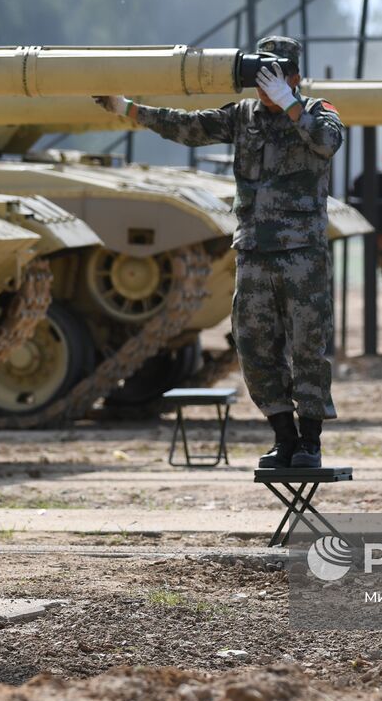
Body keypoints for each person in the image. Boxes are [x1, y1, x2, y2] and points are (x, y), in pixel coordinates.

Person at [93, 36, 343, 469]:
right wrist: (129, 108)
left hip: (303, 254)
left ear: (296, 78)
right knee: (254, 345)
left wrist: (291, 104)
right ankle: (283, 435)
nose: (266, 85)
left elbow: (326, 143)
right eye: (261, 77)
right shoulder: (244, 116)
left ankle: (310, 441)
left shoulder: (319, 113)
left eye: (277, 75)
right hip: (254, 251)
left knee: (308, 347)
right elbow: (188, 127)